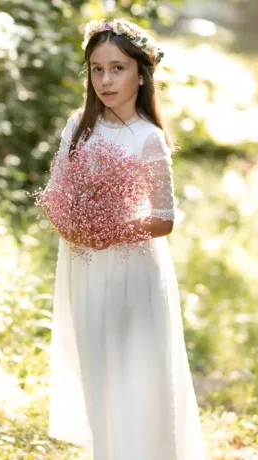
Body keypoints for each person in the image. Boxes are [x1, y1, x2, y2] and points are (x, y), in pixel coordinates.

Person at [46, 18, 206, 460]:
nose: (105, 80)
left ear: (141, 72)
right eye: (96, 69)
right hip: (83, 263)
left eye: (117, 68)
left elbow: (164, 218)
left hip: (130, 267)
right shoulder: (79, 126)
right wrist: (68, 221)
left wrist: (111, 230)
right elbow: (58, 186)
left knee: (134, 372)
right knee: (96, 363)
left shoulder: (148, 138)